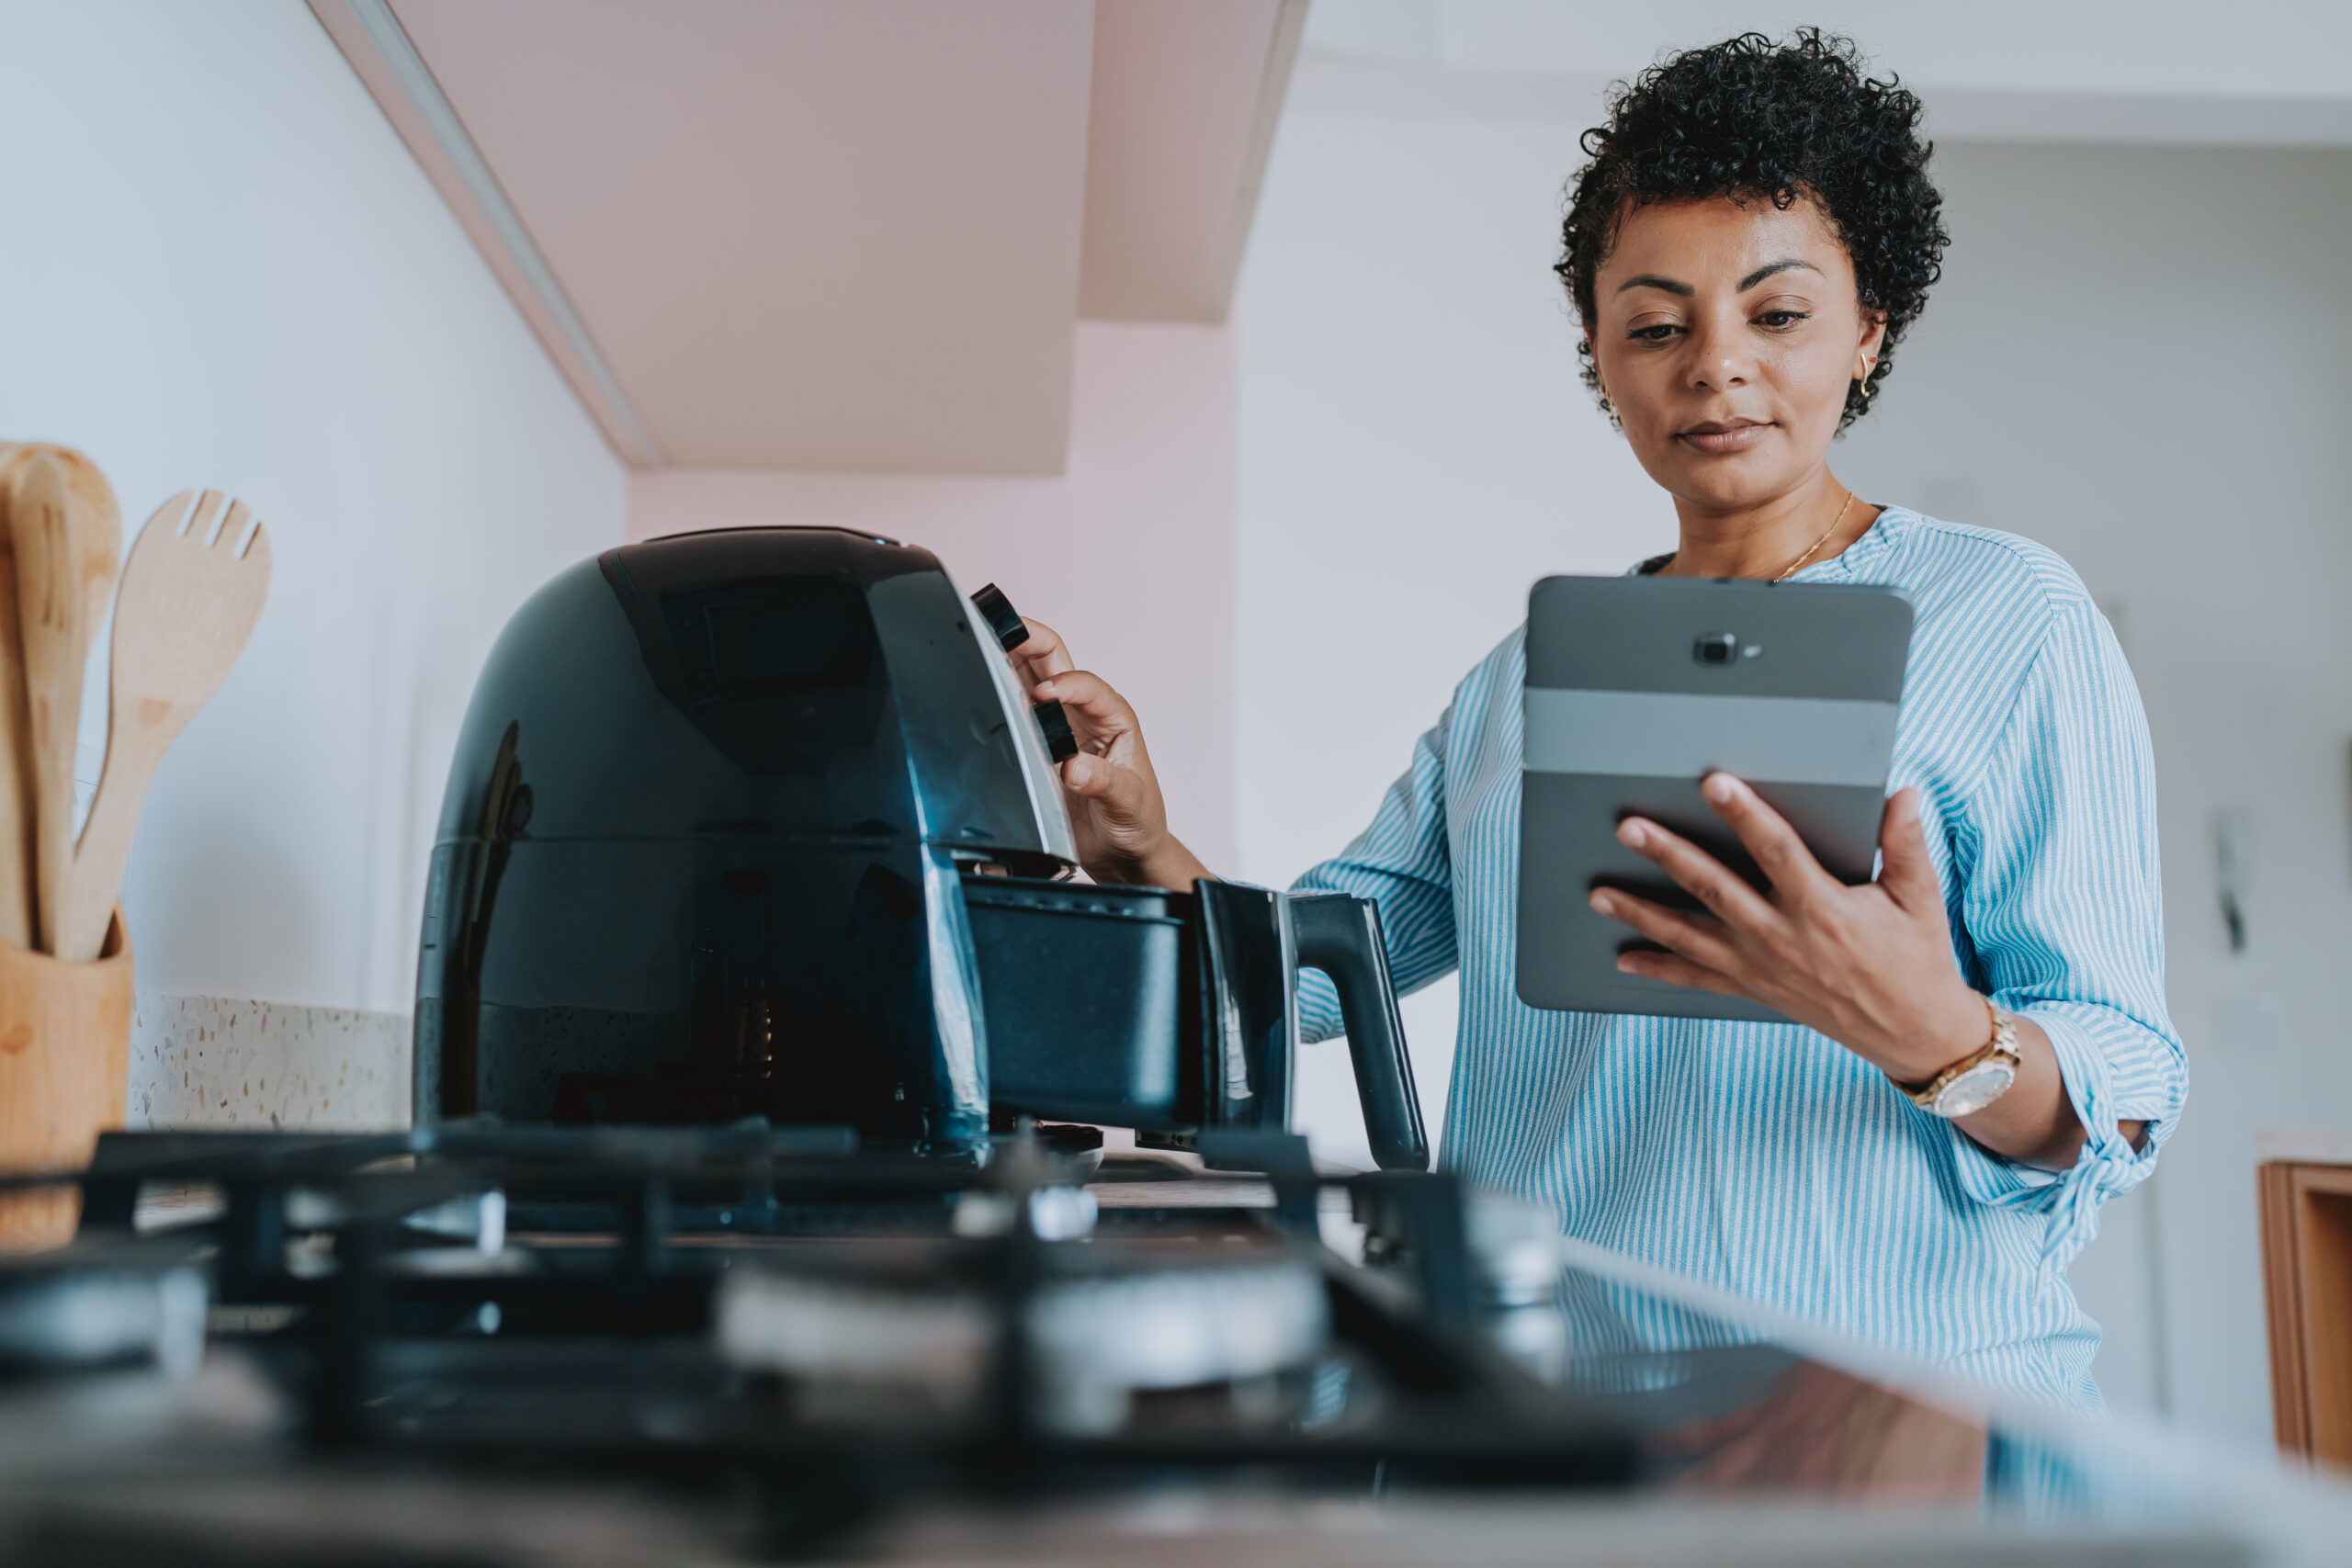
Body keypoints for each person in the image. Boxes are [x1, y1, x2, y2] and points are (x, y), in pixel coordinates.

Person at [1010, 30, 2184, 1411]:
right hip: (1555, 1407)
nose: (1716, 367)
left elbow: (2127, 1090)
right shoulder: (1521, 677)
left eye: (1779, 312)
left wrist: (1937, 1035)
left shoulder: (2013, 619)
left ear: (1871, 328)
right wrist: (1143, 845)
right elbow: (1323, 976)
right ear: (1602, 360)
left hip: (1894, 1417)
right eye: (1657, 323)